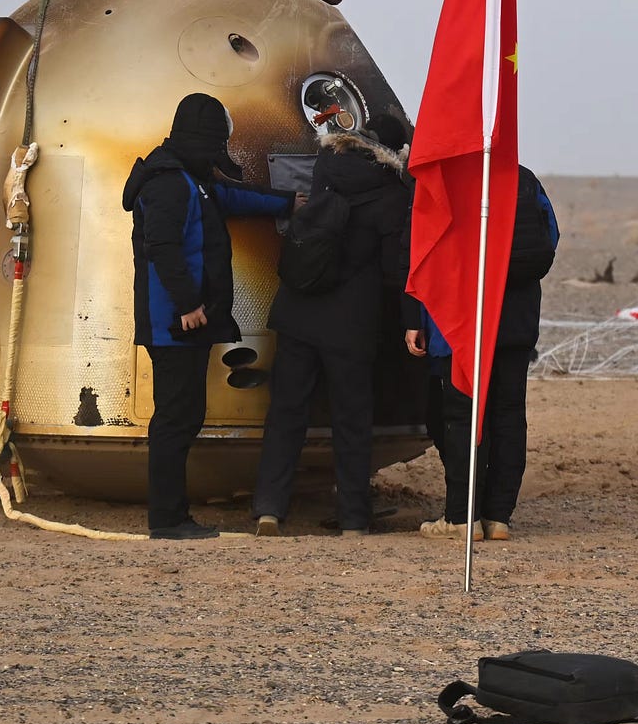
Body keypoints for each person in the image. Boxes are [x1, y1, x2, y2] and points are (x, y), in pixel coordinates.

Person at [125, 93, 292, 539]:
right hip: (175, 324)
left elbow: (233, 197)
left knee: (184, 416)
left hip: (185, 322)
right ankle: (167, 519)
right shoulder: (169, 184)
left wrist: (288, 202)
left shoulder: (190, 179)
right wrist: (187, 305)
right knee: (174, 419)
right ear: (205, 140)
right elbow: (161, 247)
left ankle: (173, 515)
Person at [250, 119, 412, 537]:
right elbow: (394, 267)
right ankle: (354, 518)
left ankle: (269, 509)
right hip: (351, 321)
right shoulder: (392, 194)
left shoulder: (326, 168)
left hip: (298, 309)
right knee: (352, 419)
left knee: (286, 413)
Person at [407, 165, 559, 540]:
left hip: (463, 318)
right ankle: (498, 517)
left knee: (462, 417)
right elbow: (550, 237)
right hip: (517, 318)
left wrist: (417, 317)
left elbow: (428, 248)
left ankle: (462, 517)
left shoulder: (451, 177)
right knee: (509, 414)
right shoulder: (524, 178)